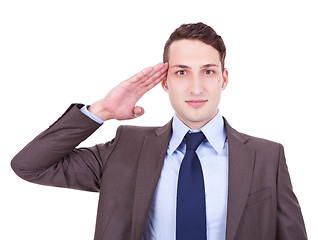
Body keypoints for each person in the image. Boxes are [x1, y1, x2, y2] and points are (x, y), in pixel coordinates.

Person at [11, 22, 307, 240]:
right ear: (164, 82)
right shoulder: (126, 148)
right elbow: (30, 166)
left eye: (208, 71)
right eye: (181, 72)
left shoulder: (266, 156)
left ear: (223, 78)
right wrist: (101, 111)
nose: (195, 87)